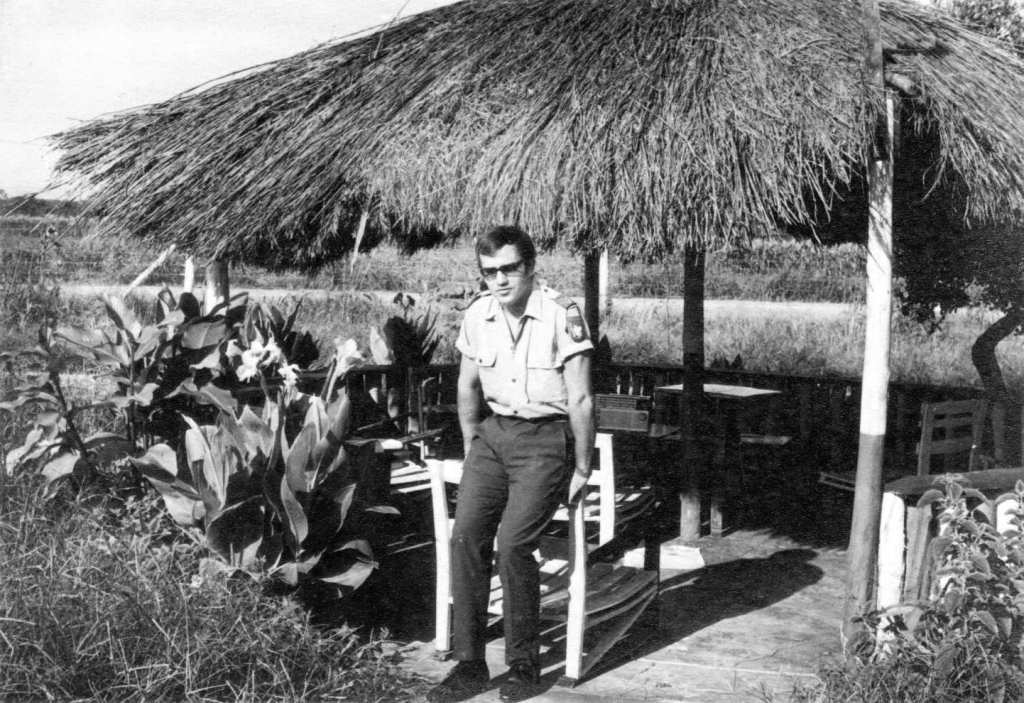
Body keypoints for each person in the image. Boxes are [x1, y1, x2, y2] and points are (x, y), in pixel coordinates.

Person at [428, 225, 595, 702]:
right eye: (489, 272)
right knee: (465, 537)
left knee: (514, 544)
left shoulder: (562, 314)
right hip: (494, 436)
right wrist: (472, 445)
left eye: (509, 269)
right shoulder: (479, 314)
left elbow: (581, 399)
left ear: (531, 266)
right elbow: (467, 386)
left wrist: (582, 468)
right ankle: (470, 664)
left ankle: (523, 665)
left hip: (545, 439)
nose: (499, 280)